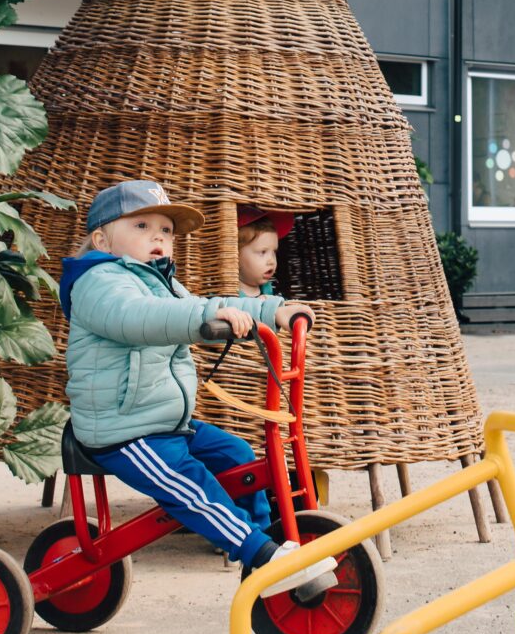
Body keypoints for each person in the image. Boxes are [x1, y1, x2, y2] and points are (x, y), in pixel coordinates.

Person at [62, 179, 333, 600]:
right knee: (189, 484)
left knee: (238, 457)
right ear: (101, 239)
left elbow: (208, 301)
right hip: (121, 431)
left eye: (166, 230)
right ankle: (259, 552)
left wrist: (272, 310)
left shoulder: (160, 282)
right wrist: (207, 314)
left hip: (165, 423)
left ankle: (265, 541)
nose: (158, 236)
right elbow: (144, 318)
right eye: (141, 226)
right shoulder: (98, 283)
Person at [234, 206, 294, 296]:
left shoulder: (272, 290)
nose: (271, 261)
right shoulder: (225, 296)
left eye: (274, 252)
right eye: (262, 252)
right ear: (235, 255)